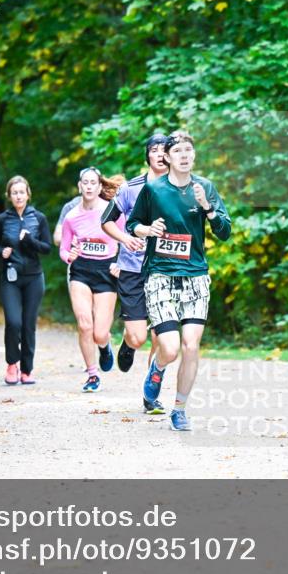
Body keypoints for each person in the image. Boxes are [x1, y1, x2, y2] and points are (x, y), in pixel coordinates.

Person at [126, 131, 232, 431]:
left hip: (195, 276)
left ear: (193, 155)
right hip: (160, 275)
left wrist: (208, 208)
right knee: (170, 348)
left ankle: (180, 409)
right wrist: (148, 230)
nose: (184, 155)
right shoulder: (153, 189)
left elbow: (224, 232)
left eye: (189, 150)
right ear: (167, 157)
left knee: (191, 346)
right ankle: (157, 368)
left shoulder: (204, 187)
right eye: (178, 151)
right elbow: (133, 224)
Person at [100, 133, 170, 414]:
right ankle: (128, 344)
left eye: (165, 150)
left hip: (166, 270)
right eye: (155, 150)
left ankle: (151, 394)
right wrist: (125, 239)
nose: (160, 154)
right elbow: (106, 220)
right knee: (139, 337)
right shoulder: (130, 188)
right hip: (132, 269)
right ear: (148, 155)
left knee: (162, 337)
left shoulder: (180, 187)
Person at [60, 168, 125, 393]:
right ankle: (92, 374)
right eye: (85, 182)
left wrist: (121, 263)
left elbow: (127, 239)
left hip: (106, 271)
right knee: (84, 324)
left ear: (99, 187)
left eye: (92, 183)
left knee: (99, 333)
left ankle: (105, 346)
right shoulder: (71, 216)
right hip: (81, 271)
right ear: (80, 186)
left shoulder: (112, 211)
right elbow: (64, 248)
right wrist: (68, 256)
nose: (88, 186)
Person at [0, 175, 53, 385]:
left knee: (28, 325)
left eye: (21, 192)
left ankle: (27, 370)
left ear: (28, 194)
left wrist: (29, 240)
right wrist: (1, 252)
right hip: (11, 278)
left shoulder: (39, 218)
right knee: (13, 322)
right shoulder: (2, 219)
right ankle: (12, 363)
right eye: (14, 193)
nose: (18, 196)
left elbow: (47, 248)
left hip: (34, 278)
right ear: (9, 195)